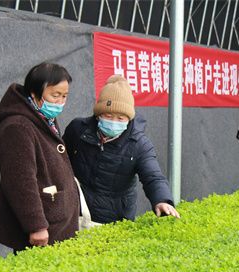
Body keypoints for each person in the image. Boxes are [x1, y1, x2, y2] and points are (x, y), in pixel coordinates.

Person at [63, 75, 179, 224]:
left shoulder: (139, 144)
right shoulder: (78, 129)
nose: (113, 122)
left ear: (129, 119)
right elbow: (60, 161)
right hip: (77, 211)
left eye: (120, 118)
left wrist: (162, 200)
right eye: (108, 115)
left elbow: (153, 176)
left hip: (115, 218)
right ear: (98, 115)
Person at [0, 63, 79, 251]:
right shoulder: (18, 127)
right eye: (55, 95)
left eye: (64, 96)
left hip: (56, 220)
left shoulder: (44, 118)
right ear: (34, 94)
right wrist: (36, 225)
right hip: (43, 227)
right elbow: (20, 181)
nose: (60, 102)